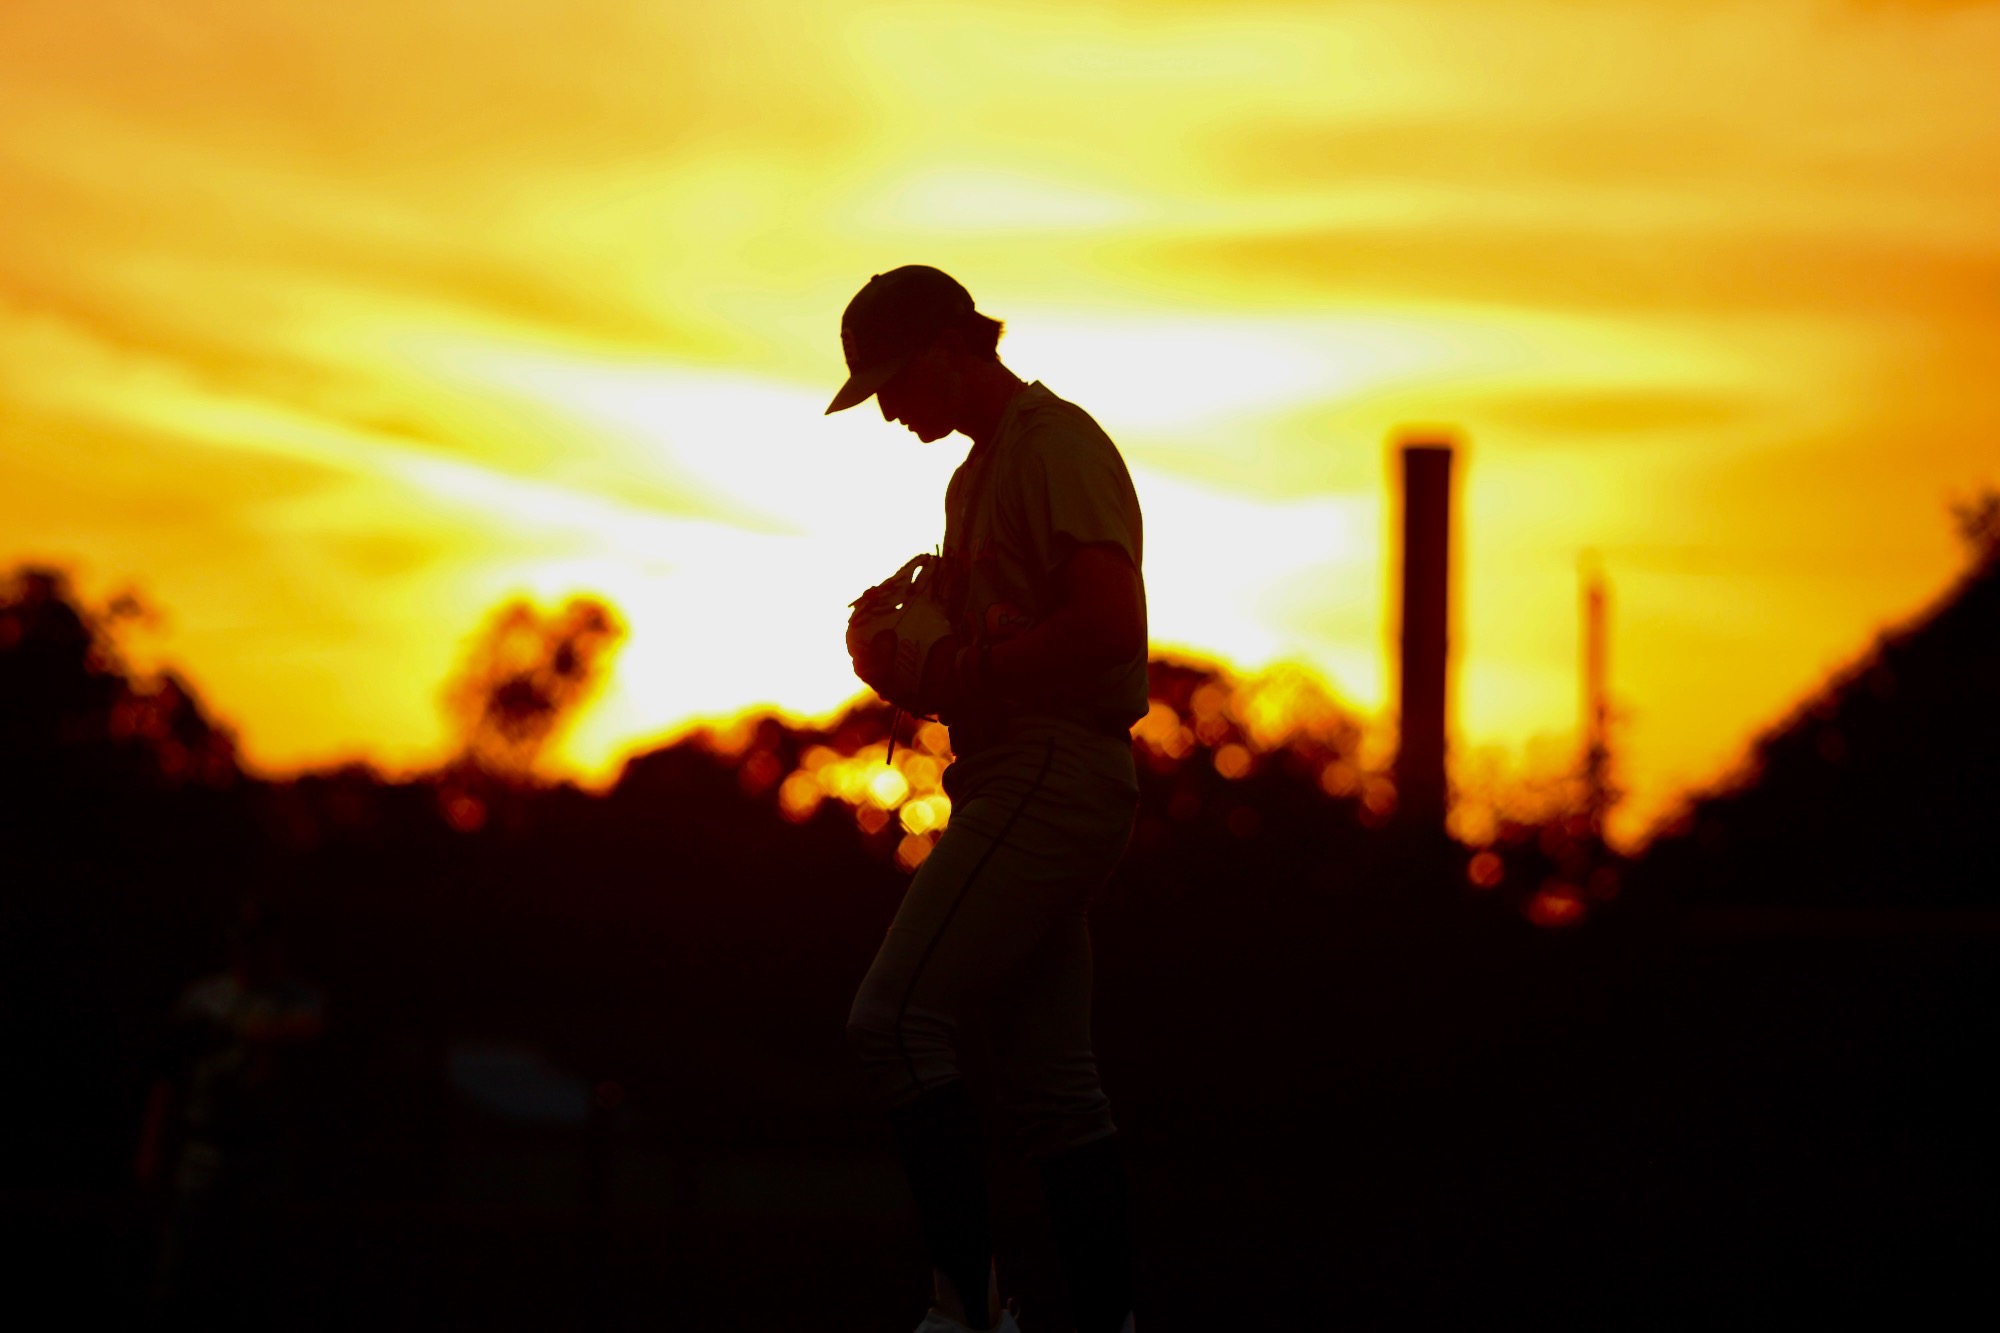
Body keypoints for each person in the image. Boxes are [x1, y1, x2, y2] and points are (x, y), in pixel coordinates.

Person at [830, 266, 1147, 1333]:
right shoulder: (975, 478)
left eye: (887, 376)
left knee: (893, 1020)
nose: (882, 403)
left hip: (1055, 764)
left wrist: (955, 671)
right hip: (1022, 769)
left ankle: (964, 1310)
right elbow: (982, 648)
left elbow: (1109, 628)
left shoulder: (1052, 441)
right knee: (1054, 1086)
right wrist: (902, 642)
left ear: (944, 347)